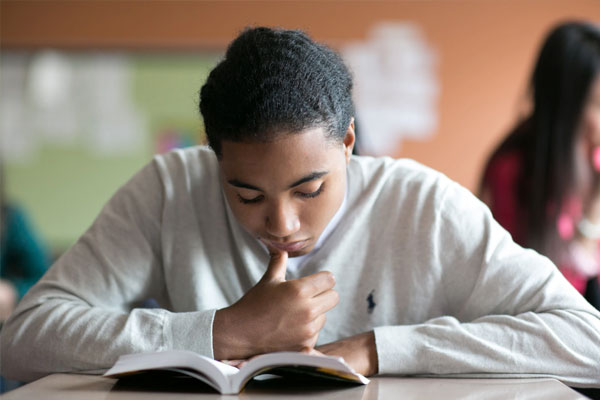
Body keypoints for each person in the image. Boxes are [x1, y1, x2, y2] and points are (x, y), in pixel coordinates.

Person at [2, 27, 600, 389]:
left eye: (309, 190)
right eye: (246, 195)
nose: (281, 225)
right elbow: (24, 339)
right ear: (212, 159)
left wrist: (374, 348)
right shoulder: (170, 189)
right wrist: (224, 331)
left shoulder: (422, 205)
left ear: (347, 143)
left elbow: (587, 341)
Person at [480, 21, 600, 310]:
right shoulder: (513, 172)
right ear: (567, 108)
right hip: (540, 321)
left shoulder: (593, 159)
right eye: (598, 104)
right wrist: (591, 222)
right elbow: (532, 292)